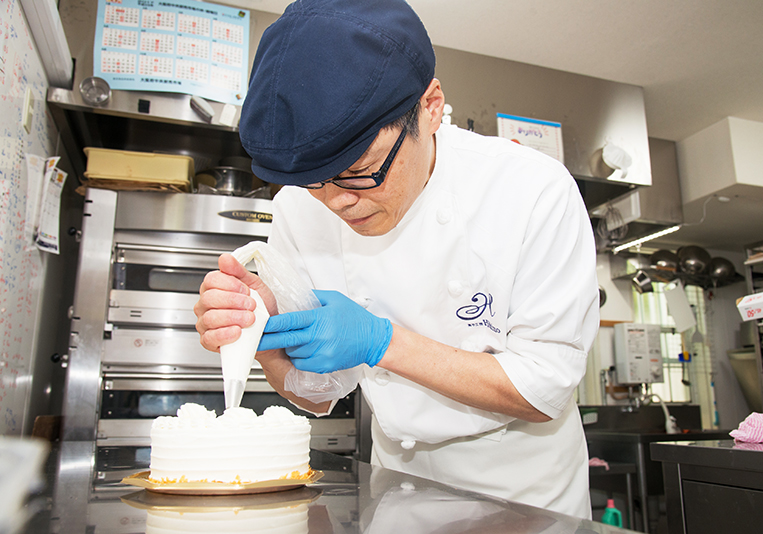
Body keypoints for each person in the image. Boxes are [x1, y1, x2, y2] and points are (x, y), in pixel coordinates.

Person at [194, 0, 599, 518]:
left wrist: (379, 341)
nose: (338, 201)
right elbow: (316, 394)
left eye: (362, 171)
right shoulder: (298, 209)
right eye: (314, 182)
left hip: (525, 493)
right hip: (396, 483)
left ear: (430, 107)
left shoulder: (531, 191)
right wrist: (261, 333)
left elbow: (545, 389)